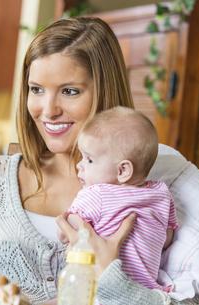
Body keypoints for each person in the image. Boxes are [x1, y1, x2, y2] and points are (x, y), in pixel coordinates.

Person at [0, 17, 199, 305]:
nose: (48, 110)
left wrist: (115, 278)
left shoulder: (160, 183)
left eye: (70, 91)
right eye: (36, 89)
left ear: (104, 89)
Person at [61, 106, 178, 291]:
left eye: (89, 160)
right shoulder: (161, 193)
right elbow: (167, 238)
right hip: (144, 291)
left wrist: (67, 229)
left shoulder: (97, 194)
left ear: (122, 170)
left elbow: (70, 228)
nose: (79, 165)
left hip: (96, 288)